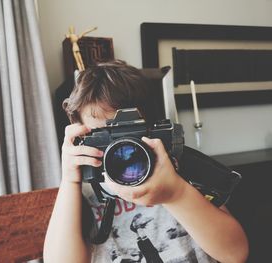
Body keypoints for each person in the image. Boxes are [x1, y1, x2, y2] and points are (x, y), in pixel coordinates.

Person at [43, 60, 249, 263]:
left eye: (128, 134)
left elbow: (235, 254)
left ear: (153, 129)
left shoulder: (179, 170)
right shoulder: (85, 190)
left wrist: (176, 194)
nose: (121, 151)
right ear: (83, 138)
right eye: (104, 136)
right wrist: (70, 181)